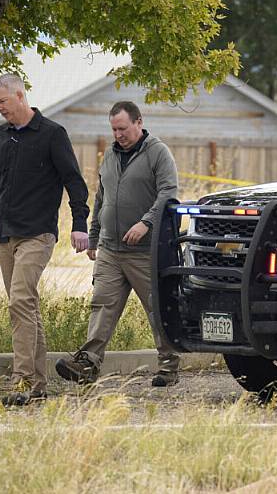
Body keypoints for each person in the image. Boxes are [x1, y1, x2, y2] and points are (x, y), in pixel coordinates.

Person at [0, 73, 89, 407]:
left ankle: (20, 379)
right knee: (26, 306)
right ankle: (38, 384)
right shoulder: (0, 136)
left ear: (20, 96)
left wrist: (80, 223)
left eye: (2, 102)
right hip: (5, 233)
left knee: (19, 300)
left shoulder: (52, 134)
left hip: (38, 232)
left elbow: (74, 182)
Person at [55, 101, 180, 387]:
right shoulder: (110, 155)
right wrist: (94, 235)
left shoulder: (158, 153)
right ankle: (87, 364)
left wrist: (146, 222)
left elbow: (169, 193)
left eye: (123, 128)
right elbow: (102, 198)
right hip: (111, 249)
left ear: (139, 122)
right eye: (114, 129)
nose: (118, 134)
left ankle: (169, 366)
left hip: (144, 250)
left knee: (157, 309)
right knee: (102, 305)